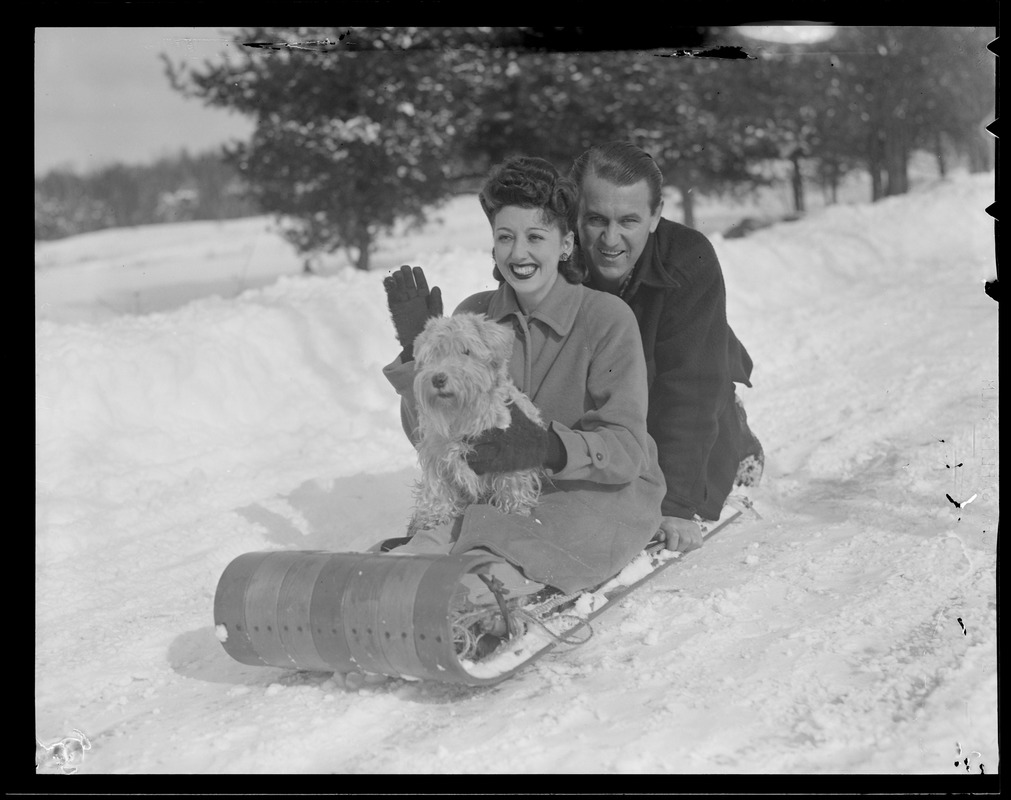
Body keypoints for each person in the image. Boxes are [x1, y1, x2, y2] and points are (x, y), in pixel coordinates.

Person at [380, 155, 667, 601]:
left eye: (535, 236)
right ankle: (387, 585)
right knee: (439, 537)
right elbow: (435, 433)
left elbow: (627, 451)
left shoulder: (606, 318)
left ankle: (470, 597)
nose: (519, 253)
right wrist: (415, 352)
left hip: (591, 489)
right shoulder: (473, 315)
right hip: (502, 490)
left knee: (513, 546)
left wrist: (547, 446)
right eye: (505, 237)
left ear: (566, 244)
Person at [568, 141, 764, 553]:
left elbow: (691, 386)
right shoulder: (556, 254)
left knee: (705, 448)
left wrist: (675, 503)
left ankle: (738, 438)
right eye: (596, 219)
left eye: (629, 221)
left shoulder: (687, 258)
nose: (610, 239)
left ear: (655, 216)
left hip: (672, 389)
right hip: (607, 404)